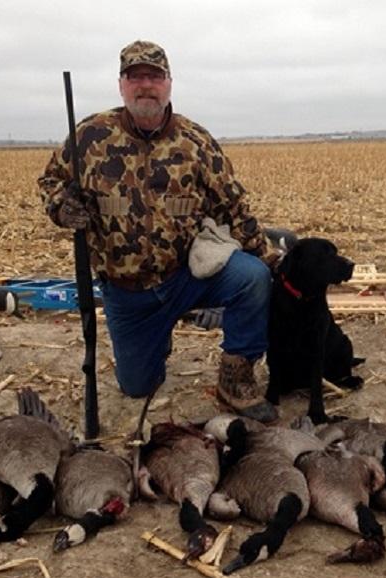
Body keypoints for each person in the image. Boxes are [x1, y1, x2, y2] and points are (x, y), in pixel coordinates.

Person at [38, 40, 279, 423]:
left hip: (188, 277)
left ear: (169, 83)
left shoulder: (195, 141)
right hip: (128, 293)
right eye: (136, 77)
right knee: (138, 386)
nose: (145, 85)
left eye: (154, 76)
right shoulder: (89, 137)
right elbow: (50, 181)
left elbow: (233, 207)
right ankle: (154, 340)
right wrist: (62, 207)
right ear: (122, 85)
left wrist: (272, 261)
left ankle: (235, 379)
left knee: (253, 279)